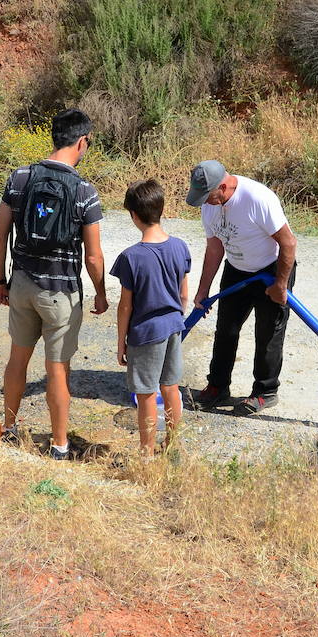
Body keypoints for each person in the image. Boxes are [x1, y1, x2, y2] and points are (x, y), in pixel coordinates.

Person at [0, 109, 107, 460]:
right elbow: (93, 257)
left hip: (22, 283)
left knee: (17, 359)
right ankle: (59, 445)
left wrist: (1, 281)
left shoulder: (20, 177)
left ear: (53, 136)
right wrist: (101, 294)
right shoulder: (84, 190)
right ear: (82, 141)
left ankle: (9, 429)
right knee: (57, 370)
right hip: (61, 295)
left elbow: (0, 237)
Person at [185, 160, 297, 416]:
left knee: (268, 333)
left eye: (208, 196)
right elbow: (215, 248)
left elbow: (288, 243)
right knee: (226, 329)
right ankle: (217, 386)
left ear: (223, 187)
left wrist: (281, 285)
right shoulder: (209, 206)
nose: (205, 202)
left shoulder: (257, 199)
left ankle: (265, 392)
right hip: (236, 270)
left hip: (271, 269)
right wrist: (203, 290)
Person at [112, 179, 190, 455]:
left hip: (145, 332)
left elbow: (125, 307)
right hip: (173, 327)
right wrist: (176, 317)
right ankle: (172, 444)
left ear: (134, 215)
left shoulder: (131, 257)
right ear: (161, 209)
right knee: (171, 387)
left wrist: (121, 341)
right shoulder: (180, 247)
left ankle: (146, 452)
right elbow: (184, 296)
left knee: (145, 392)